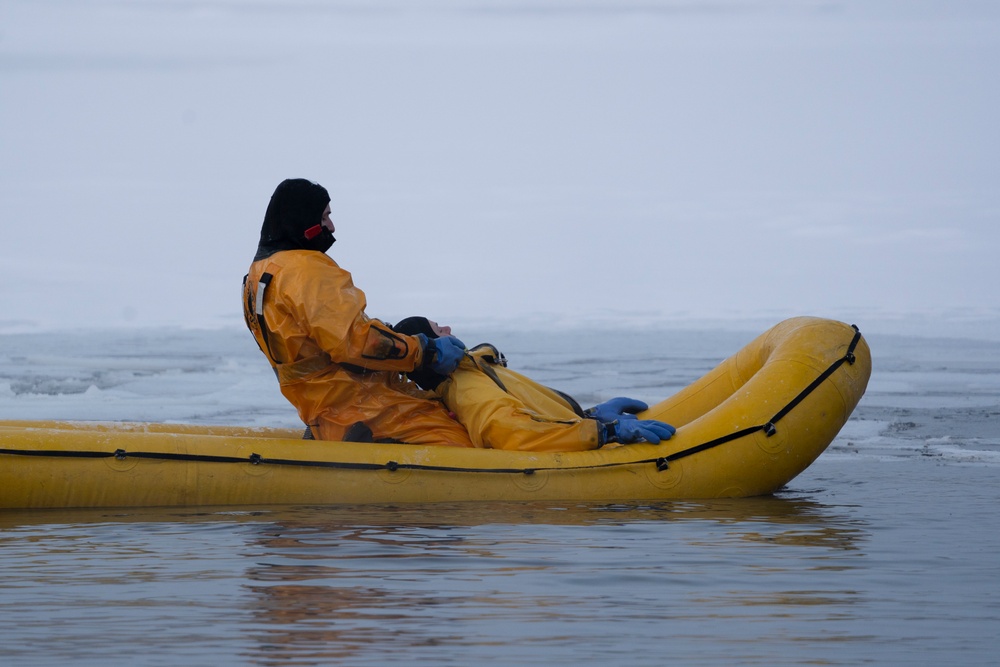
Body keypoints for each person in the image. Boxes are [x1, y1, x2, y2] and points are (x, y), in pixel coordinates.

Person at [242, 178, 474, 446]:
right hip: (366, 411)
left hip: (326, 415)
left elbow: (314, 338)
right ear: (303, 218)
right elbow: (354, 342)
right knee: (460, 441)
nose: (331, 226)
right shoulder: (306, 271)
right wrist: (425, 351)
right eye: (325, 216)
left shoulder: (258, 277)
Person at [392, 316, 676, 452]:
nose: (449, 329)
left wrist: (589, 414)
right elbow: (512, 431)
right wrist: (607, 432)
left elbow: (532, 411)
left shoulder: (476, 368)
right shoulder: (466, 388)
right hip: (590, 450)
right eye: (439, 329)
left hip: (583, 428)